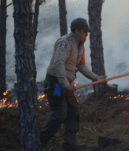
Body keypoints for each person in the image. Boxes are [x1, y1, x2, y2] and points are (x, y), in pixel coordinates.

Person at [40, 18, 107, 151]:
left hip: (66, 85)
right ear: (77, 31)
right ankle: (39, 143)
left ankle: (69, 146)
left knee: (73, 113)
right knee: (60, 113)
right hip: (57, 84)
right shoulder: (65, 43)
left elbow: (81, 65)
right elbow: (58, 64)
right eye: (85, 32)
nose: (87, 35)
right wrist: (65, 85)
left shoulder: (80, 46)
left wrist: (96, 78)